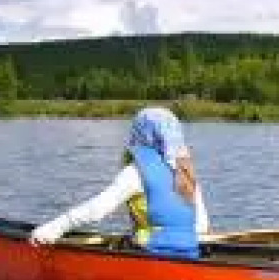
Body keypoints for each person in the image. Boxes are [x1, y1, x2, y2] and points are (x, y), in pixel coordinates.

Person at [29, 106, 209, 258]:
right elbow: (202, 226)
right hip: (189, 253)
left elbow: (96, 210)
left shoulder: (136, 172)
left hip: (151, 251)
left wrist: (53, 229)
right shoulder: (186, 171)